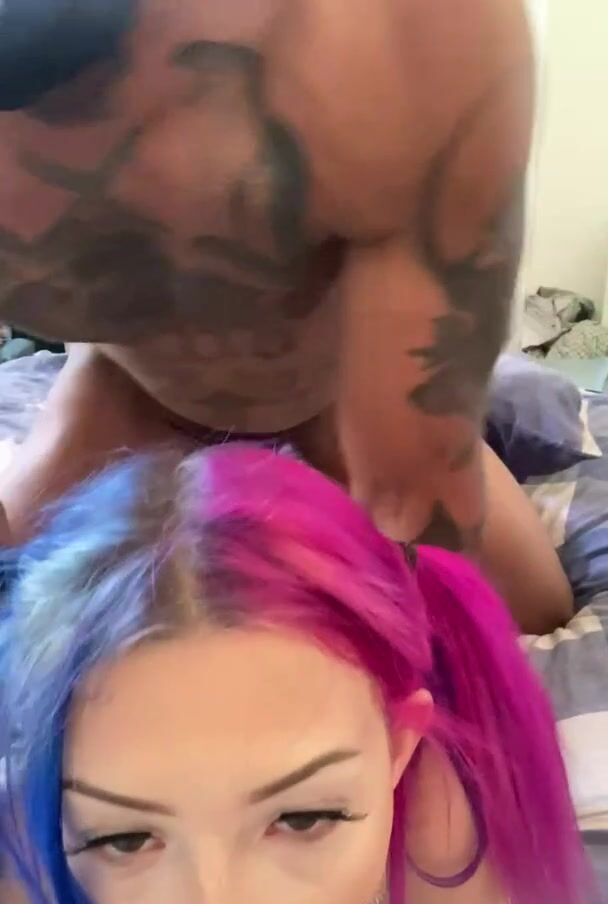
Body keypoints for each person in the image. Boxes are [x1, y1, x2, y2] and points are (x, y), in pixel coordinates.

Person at [0, 447, 593, 904]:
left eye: (305, 818)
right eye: (123, 838)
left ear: (398, 751)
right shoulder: (34, 817)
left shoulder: (437, 819)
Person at [0, 0, 534, 557]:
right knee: (23, 589)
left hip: (337, 388)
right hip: (130, 382)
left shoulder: (406, 32)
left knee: (529, 598)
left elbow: (422, 473)